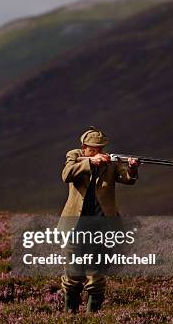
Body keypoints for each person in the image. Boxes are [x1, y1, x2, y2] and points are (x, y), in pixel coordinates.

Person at [59, 126, 139, 313]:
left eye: (101, 148)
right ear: (84, 147)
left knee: (97, 276)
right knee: (72, 274)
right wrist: (90, 163)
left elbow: (127, 178)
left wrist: (132, 169)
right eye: (93, 149)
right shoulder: (74, 156)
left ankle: (92, 319)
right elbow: (66, 174)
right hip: (75, 226)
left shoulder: (109, 161)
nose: (98, 152)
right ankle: (69, 317)